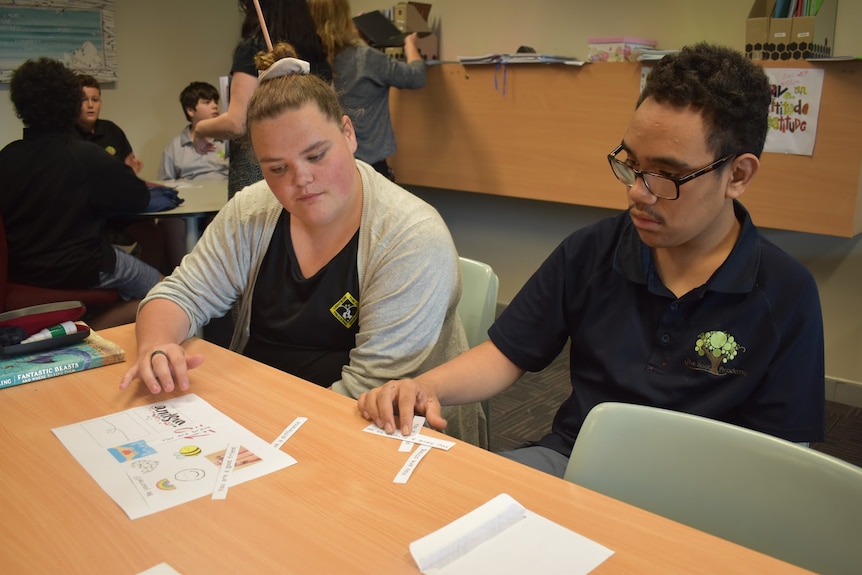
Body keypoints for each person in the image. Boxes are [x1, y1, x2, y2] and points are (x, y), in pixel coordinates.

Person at [358, 43, 825, 477]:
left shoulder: (785, 293)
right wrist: (424, 387)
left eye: (668, 175)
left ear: (737, 175)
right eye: (630, 163)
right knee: (455, 497)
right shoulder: (593, 251)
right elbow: (505, 355)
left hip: (701, 495)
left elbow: (779, 461)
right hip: (576, 460)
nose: (636, 192)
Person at [119, 43, 486, 447]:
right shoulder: (251, 212)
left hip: (377, 435)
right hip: (270, 409)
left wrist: (254, 434)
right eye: (277, 168)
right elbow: (180, 293)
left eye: (316, 155)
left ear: (348, 134)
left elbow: (366, 396)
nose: (301, 179)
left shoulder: (410, 236)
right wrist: (156, 345)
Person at [0, 58, 162, 329]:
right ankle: (94, 329)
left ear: (20, 105)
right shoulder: (84, 156)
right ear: (71, 103)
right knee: (166, 293)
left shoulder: (6, 157)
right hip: (84, 265)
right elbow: (139, 198)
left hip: (23, 270)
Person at [193, 0, 332, 197]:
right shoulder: (317, 51)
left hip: (261, 174)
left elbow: (237, 122)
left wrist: (199, 130)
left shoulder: (253, 47)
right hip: (312, 174)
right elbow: (331, 115)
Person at [308, 0, 426, 179]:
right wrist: (410, 43)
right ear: (344, 18)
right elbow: (415, 77)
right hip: (371, 168)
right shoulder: (365, 58)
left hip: (328, 163)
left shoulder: (309, 60)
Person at [158, 81, 229, 181]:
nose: (215, 106)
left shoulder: (228, 139)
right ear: (190, 110)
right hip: (189, 194)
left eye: (216, 102)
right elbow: (165, 184)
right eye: (207, 102)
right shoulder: (175, 146)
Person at [75, 74, 143, 174]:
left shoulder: (112, 130)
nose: (90, 105)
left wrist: (130, 171)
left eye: (95, 100)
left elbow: (127, 167)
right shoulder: (66, 134)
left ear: (100, 103)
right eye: (84, 100)